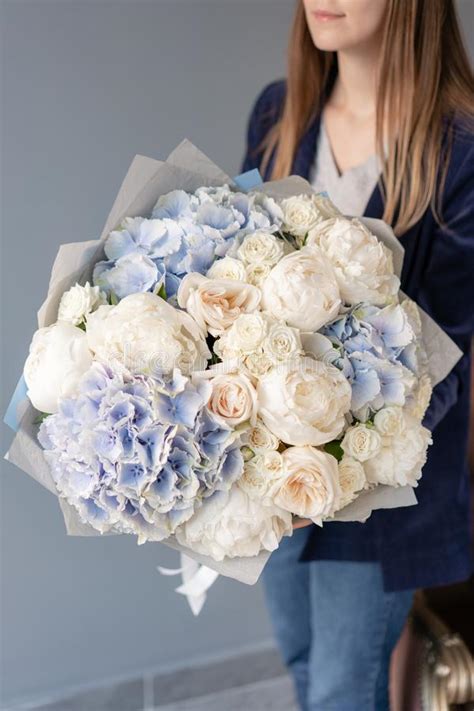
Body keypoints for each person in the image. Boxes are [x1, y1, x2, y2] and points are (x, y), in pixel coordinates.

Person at [240, 1, 474, 710]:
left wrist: (330, 460)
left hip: (380, 495)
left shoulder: (458, 145)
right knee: (308, 664)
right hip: (272, 476)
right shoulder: (279, 116)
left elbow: (448, 352)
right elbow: (240, 281)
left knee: (345, 688)